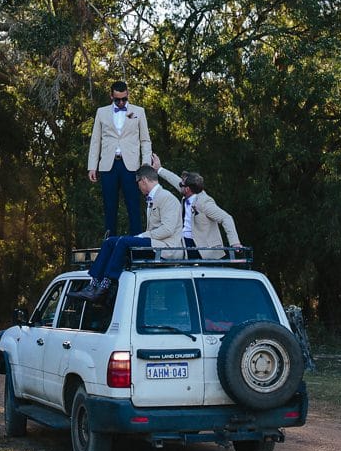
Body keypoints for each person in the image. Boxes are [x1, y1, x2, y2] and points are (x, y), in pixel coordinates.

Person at [71, 165, 181, 301]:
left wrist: (141, 236)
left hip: (167, 247)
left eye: (138, 182)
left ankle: (105, 286)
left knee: (123, 241)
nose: (138, 187)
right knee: (110, 241)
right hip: (154, 243)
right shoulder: (153, 198)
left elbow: (168, 229)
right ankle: (93, 285)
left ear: (144, 180)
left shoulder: (167, 198)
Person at [86, 81, 151, 238]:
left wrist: (145, 166)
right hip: (108, 166)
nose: (121, 102)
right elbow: (96, 140)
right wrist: (92, 166)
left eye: (124, 99)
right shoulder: (101, 112)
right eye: (117, 100)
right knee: (109, 208)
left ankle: (136, 247)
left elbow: (145, 140)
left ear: (128, 94)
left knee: (133, 207)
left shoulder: (139, 111)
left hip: (131, 166)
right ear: (111, 97)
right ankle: (110, 245)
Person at [152, 155, 239, 260]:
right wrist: (159, 169)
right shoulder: (190, 192)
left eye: (181, 184)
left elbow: (226, 218)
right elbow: (174, 179)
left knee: (167, 248)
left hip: (201, 247)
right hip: (185, 240)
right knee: (165, 241)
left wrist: (235, 243)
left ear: (187, 189)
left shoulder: (204, 203)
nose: (179, 185)